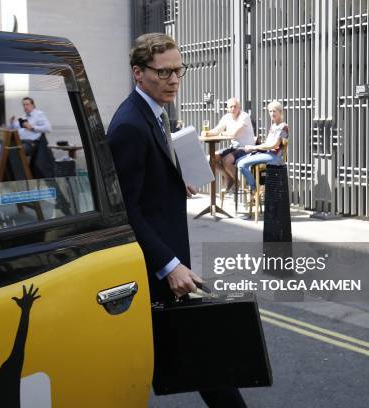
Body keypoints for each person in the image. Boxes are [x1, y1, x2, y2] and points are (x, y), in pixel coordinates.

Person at [107, 32, 247, 408]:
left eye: (178, 71)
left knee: (184, 356)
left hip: (168, 256)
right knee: (201, 359)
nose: (173, 80)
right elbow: (127, 210)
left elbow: (146, 183)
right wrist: (169, 266)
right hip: (157, 264)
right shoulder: (128, 126)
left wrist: (173, 179)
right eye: (163, 72)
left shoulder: (154, 112)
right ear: (139, 73)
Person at [201, 97, 255, 191]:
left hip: (246, 148)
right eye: (231, 107)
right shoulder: (226, 117)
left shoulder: (244, 116)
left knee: (227, 160)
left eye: (235, 106)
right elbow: (217, 130)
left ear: (239, 107)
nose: (233, 109)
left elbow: (234, 134)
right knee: (209, 159)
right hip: (234, 148)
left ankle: (239, 183)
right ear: (227, 108)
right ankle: (229, 177)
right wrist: (207, 133)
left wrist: (222, 133)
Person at [236, 100, 289, 193]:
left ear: (280, 112)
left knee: (241, 164)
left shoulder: (283, 127)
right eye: (270, 111)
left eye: (274, 111)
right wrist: (255, 147)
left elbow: (274, 145)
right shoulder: (273, 126)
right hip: (268, 153)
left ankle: (254, 189)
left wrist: (254, 147)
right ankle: (255, 187)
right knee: (239, 161)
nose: (272, 113)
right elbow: (267, 144)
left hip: (275, 157)